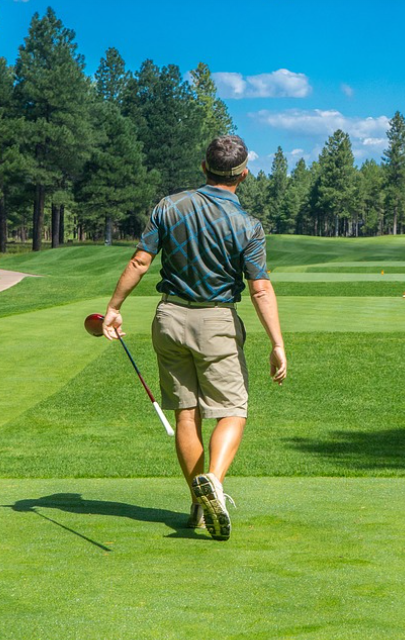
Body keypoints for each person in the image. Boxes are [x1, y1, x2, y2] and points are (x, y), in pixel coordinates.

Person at [103, 135, 286, 541]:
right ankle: (214, 485)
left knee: (187, 414)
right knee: (232, 410)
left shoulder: (168, 206)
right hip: (216, 321)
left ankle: (199, 503)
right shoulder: (249, 226)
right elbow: (259, 289)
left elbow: (140, 261)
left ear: (204, 167)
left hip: (168, 318)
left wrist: (114, 307)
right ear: (244, 173)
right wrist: (277, 343)